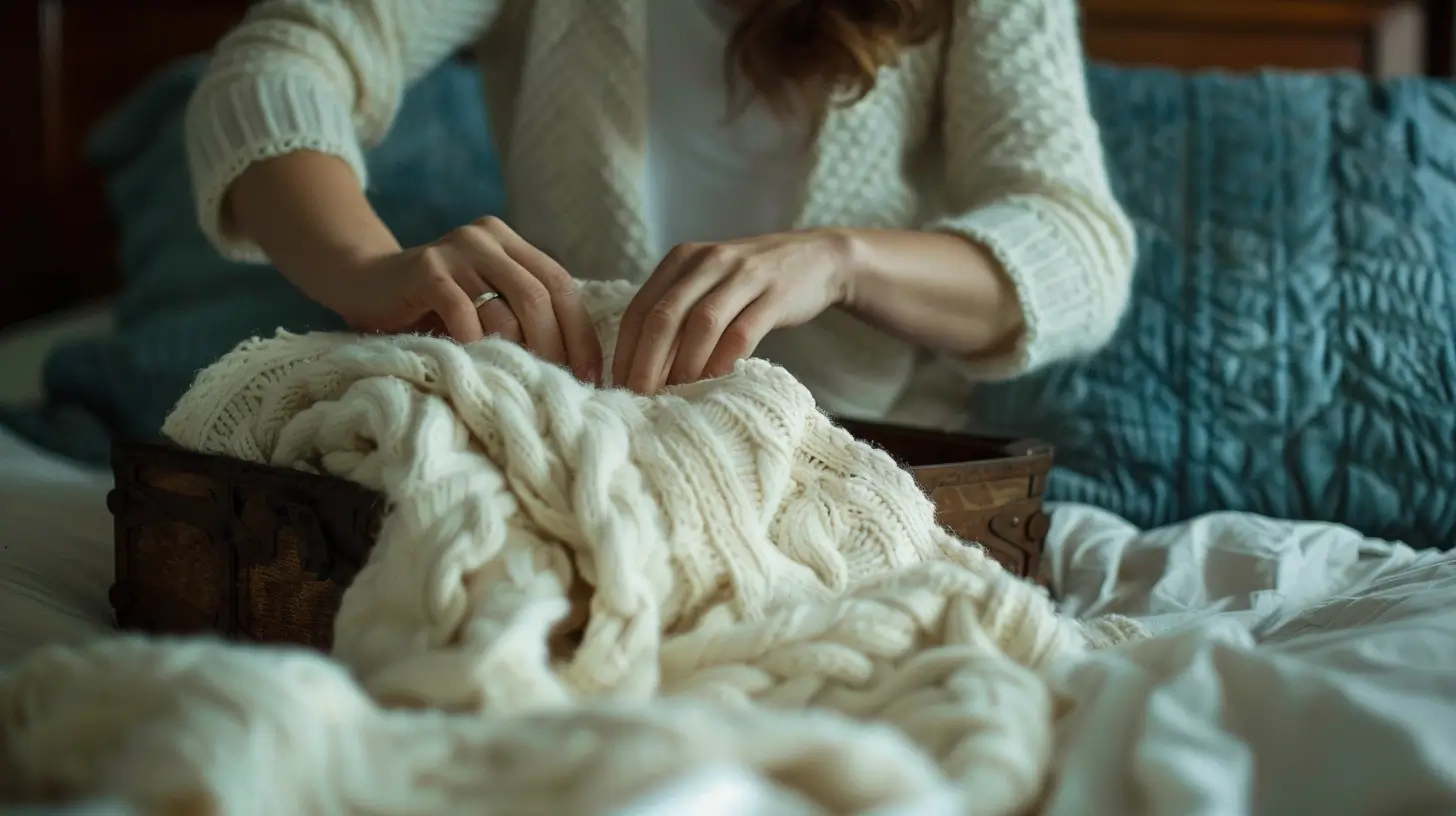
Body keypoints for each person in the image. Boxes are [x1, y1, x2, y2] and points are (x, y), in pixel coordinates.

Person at [184, 0, 1133, 429]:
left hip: (874, 467)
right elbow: (277, 66)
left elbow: (1080, 251)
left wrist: (841, 262)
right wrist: (365, 270)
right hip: (584, 456)